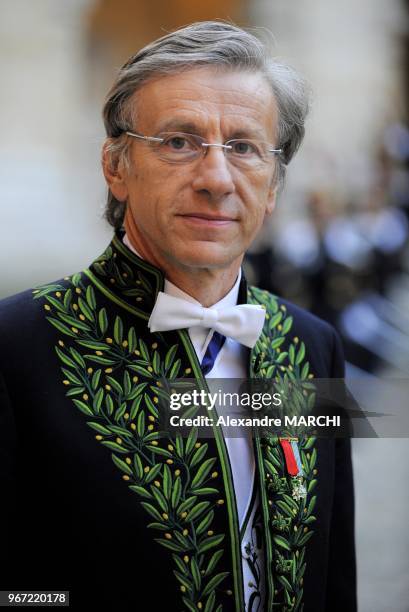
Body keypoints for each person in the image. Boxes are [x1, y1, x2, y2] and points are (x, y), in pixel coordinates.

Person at [0, 21, 356, 612]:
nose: (216, 179)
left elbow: (332, 578)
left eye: (243, 147)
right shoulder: (14, 347)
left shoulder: (313, 346)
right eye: (178, 142)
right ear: (116, 167)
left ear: (273, 186)